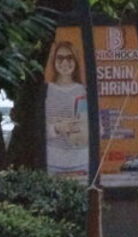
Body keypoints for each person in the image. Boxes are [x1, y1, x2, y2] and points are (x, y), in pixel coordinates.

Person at [44, 41, 89, 178]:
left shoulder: (84, 91)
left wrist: (78, 129)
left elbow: (92, 125)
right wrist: (57, 128)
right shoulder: (45, 91)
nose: (65, 62)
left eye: (69, 58)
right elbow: (38, 127)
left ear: (76, 61)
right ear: (53, 61)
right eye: (60, 58)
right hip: (52, 161)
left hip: (81, 161)